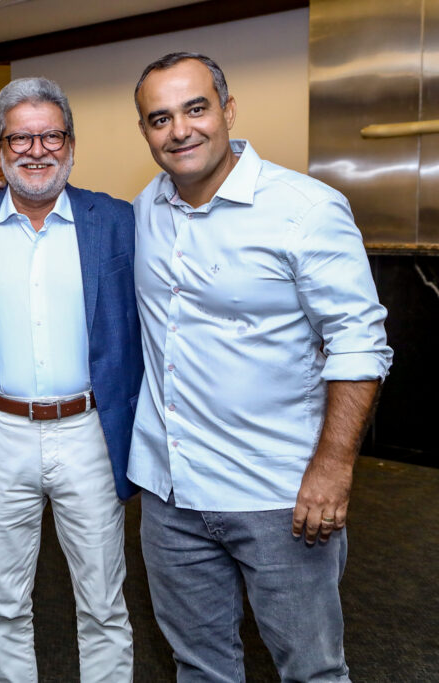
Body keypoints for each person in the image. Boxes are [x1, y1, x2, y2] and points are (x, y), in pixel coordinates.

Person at [129, 52, 393, 682]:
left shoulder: (305, 208)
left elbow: (359, 343)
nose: (180, 130)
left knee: (312, 670)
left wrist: (334, 468)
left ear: (228, 111)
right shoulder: (143, 210)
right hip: (171, 492)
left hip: (278, 494)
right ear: (145, 131)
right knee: (199, 667)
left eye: (196, 109)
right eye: (160, 118)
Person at [0, 76, 142, 682]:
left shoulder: (118, 221)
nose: (36, 151)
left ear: (71, 144)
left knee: (104, 602)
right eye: (20, 139)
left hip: (89, 432)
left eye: (51, 136)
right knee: (4, 602)